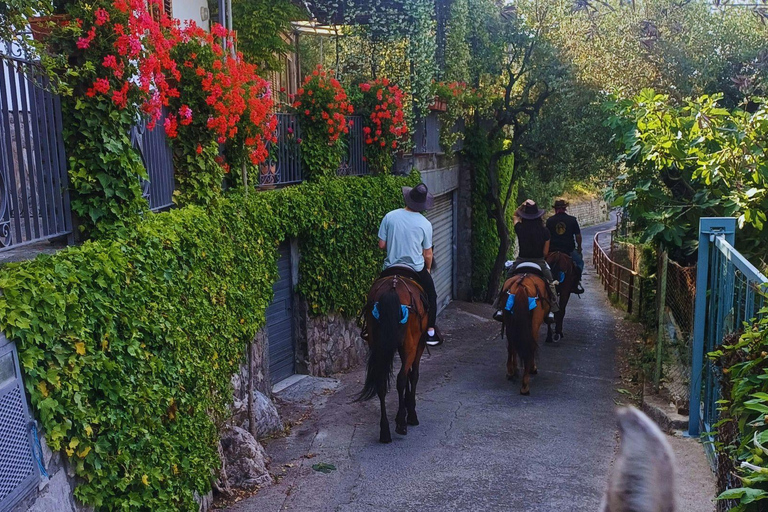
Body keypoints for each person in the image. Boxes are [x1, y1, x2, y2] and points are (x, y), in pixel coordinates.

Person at [376, 183, 443, 346]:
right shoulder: (425, 224)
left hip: (391, 267)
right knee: (432, 296)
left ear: (408, 198)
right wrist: (427, 268)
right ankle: (430, 332)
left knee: (376, 292)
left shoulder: (389, 216)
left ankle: (369, 325)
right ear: (422, 205)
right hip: (415, 269)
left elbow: (381, 245)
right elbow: (428, 253)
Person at [493, 199, 559, 322]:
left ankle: (500, 307)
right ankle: (552, 309)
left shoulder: (520, 227)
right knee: (550, 283)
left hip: (521, 261)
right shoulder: (545, 231)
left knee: (508, 280)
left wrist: (522, 205)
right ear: (538, 216)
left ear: (525, 215)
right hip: (539, 262)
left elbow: (515, 215)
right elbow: (545, 253)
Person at [546, 199, 585, 295]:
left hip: (552, 250)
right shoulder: (572, 220)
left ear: (555, 209)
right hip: (568, 250)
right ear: (565, 208)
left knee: (542, 265)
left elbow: (546, 237)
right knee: (579, 262)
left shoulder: (550, 221)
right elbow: (578, 236)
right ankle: (576, 283)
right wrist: (579, 248)